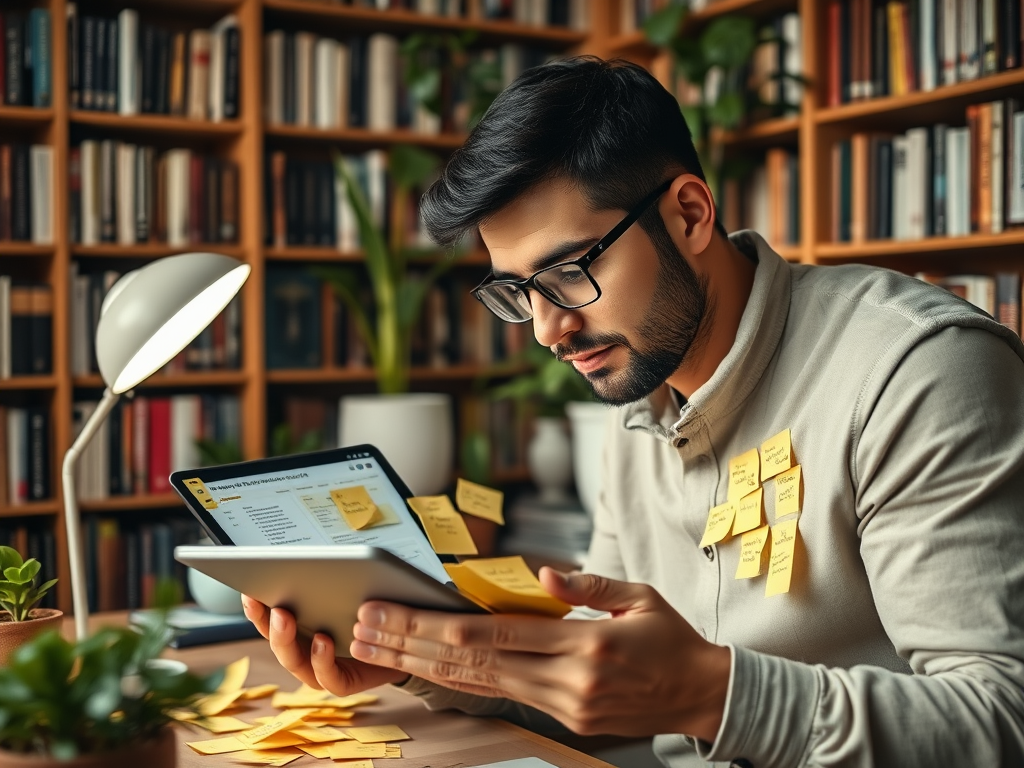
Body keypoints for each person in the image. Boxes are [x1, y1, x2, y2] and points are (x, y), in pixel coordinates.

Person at [242, 57, 1024, 767]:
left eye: (570, 271)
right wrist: (423, 660)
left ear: (688, 214)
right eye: (516, 292)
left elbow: (1002, 720)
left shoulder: (916, 370)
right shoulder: (637, 398)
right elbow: (605, 677)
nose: (548, 329)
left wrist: (711, 696)